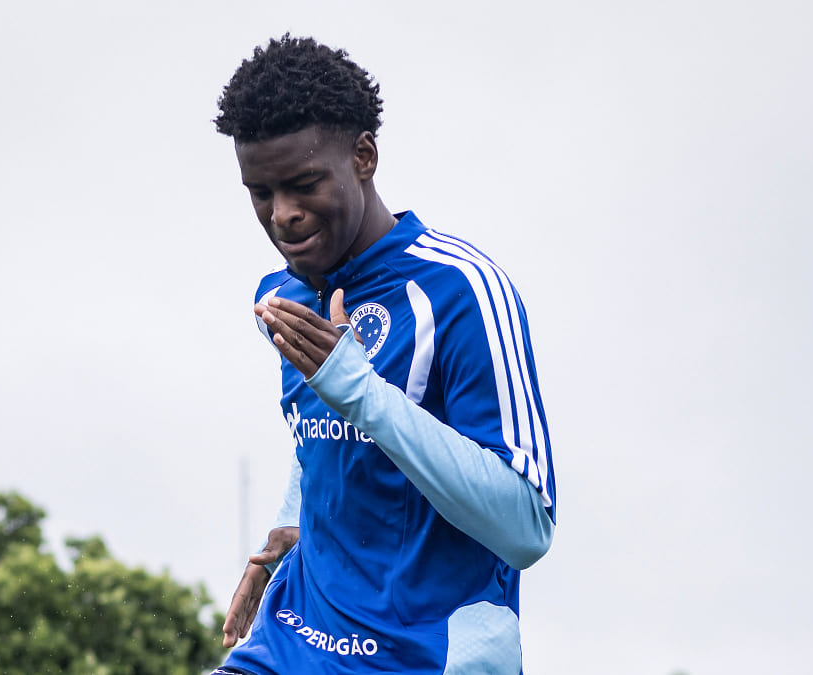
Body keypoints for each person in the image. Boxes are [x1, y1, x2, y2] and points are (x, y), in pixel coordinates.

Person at [211, 35, 557, 675]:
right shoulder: (281, 296)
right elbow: (319, 440)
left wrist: (361, 389)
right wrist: (292, 524)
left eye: (304, 184)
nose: (282, 215)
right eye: (260, 192)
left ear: (364, 156)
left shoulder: (461, 290)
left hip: (419, 658)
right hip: (291, 641)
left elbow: (526, 528)